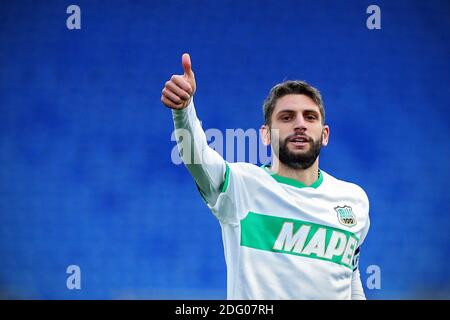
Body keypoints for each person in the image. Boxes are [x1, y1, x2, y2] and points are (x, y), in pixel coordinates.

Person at [161, 53, 370, 300]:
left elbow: (351, 277)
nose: (300, 124)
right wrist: (183, 111)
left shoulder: (354, 200)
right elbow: (197, 157)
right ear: (266, 135)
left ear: (324, 134)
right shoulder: (241, 186)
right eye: (287, 117)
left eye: (310, 116)